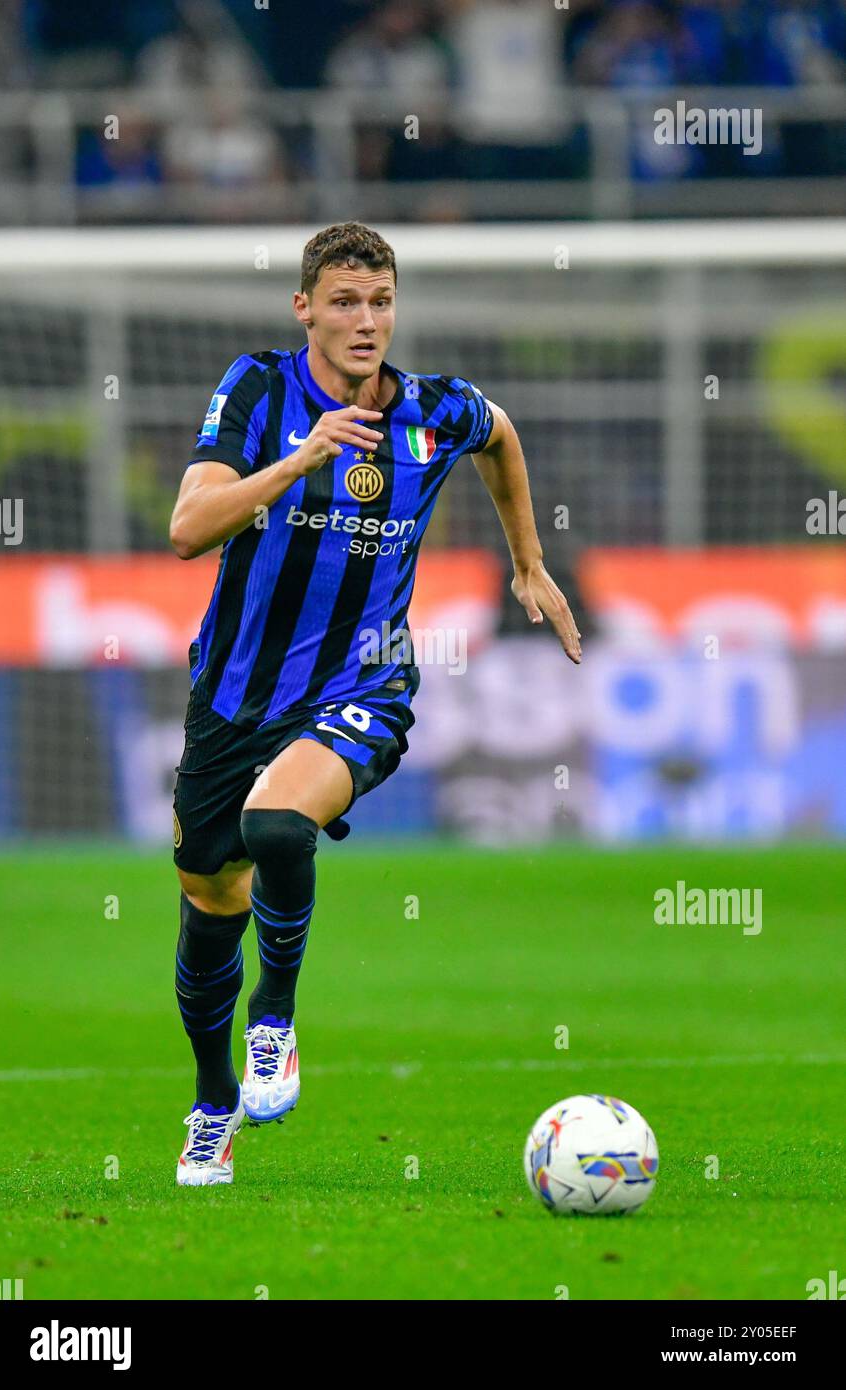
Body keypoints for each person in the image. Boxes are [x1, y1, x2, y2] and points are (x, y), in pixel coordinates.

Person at [168, 221, 581, 1185]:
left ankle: (276, 1018)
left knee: (277, 825)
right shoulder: (261, 390)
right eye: (345, 301)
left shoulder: (435, 410)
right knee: (208, 902)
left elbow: (501, 434)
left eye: (382, 301)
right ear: (304, 308)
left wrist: (528, 561)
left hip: (367, 678)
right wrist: (300, 461)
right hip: (235, 693)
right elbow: (189, 528)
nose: (366, 321)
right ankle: (211, 1100)